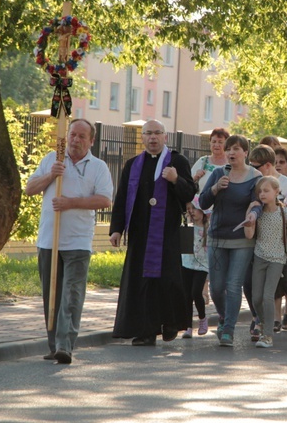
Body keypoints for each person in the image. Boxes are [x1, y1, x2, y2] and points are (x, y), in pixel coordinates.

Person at [26, 119, 113, 364]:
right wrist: (51, 176)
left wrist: (71, 202)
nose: (75, 140)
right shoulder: (52, 159)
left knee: (71, 295)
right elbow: (30, 189)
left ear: (91, 141)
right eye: (72, 134)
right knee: (51, 296)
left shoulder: (98, 167)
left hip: (77, 242)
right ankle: (53, 345)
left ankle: (66, 346)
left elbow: (105, 200)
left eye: (81, 136)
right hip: (48, 241)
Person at [109, 119, 196, 346]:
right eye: (148, 133)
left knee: (167, 281)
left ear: (165, 137)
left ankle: (170, 323)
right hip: (140, 234)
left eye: (157, 133)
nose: (153, 138)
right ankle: (146, 331)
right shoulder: (133, 164)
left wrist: (176, 179)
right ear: (142, 137)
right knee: (143, 282)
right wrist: (116, 229)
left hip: (167, 233)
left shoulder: (177, 161)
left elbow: (189, 193)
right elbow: (121, 199)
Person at [198, 134, 262, 346]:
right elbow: (204, 201)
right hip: (217, 237)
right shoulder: (218, 173)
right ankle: (225, 318)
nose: (232, 153)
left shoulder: (255, 176)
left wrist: (253, 215)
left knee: (233, 285)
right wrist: (215, 188)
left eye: (236, 149)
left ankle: (229, 330)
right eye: (229, 149)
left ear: (246, 152)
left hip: (241, 239)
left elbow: (258, 202)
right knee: (216, 287)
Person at [245, 177, 287, 348]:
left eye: (266, 190)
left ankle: (267, 335)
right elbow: (249, 235)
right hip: (259, 257)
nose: (262, 194)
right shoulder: (257, 211)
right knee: (256, 298)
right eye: (260, 191)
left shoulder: (284, 212)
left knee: (268, 296)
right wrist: (249, 216)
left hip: (277, 259)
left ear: (277, 191)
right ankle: (263, 322)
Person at [180, 198, 209, 338]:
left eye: (195, 208)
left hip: (202, 265)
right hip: (187, 263)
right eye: (190, 208)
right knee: (186, 295)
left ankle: (202, 318)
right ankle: (188, 326)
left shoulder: (208, 229)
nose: (192, 211)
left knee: (196, 292)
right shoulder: (186, 227)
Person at [191, 128, 229, 197]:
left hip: (222, 206)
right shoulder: (202, 161)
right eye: (214, 141)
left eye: (220, 142)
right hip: (200, 206)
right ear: (210, 143)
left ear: (227, 144)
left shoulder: (231, 164)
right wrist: (196, 177)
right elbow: (188, 183)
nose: (216, 145)